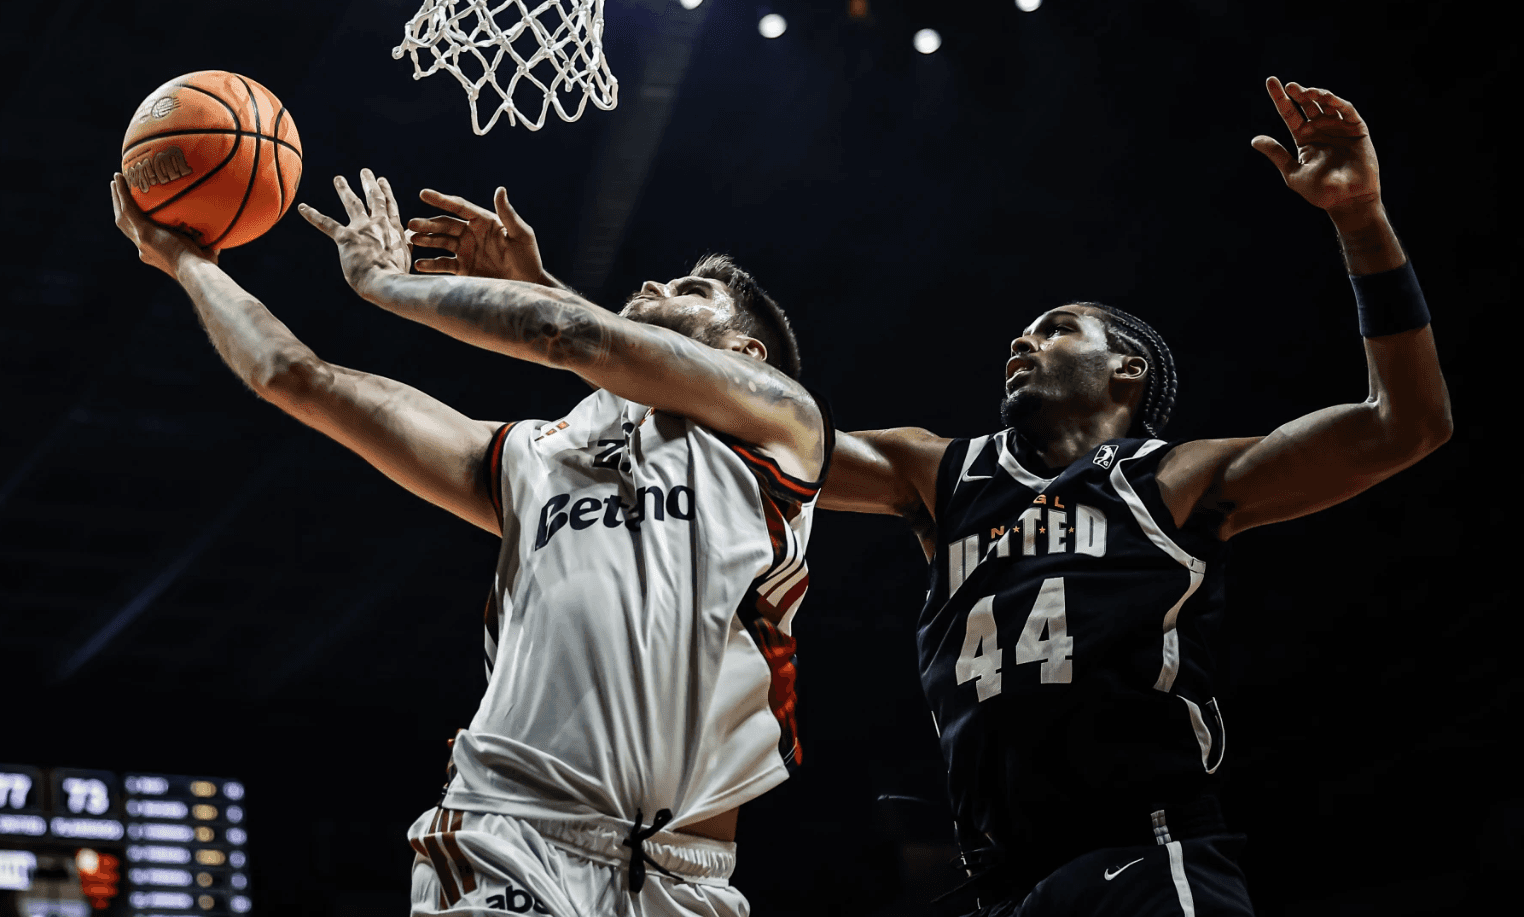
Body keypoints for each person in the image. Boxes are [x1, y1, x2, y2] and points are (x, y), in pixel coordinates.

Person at [411, 78, 1453, 915]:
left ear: (1126, 373)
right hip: (999, 876)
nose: (1022, 339)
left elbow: (1401, 426)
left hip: (1140, 851)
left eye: (1055, 328)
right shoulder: (937, 473)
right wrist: (551, 302)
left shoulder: (1174, 480)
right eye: (1023, 328)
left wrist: (1358, 219)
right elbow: (739, 429)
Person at [111, 166, 832, 917]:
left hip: (686, 880)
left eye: (691, 292)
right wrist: (187, 262)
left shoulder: (781, 434)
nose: (656, 280)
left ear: (748, 360)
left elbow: (574, 335)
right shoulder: (529, 457)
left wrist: (386, 284)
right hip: (507, 840)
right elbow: (295, 376)